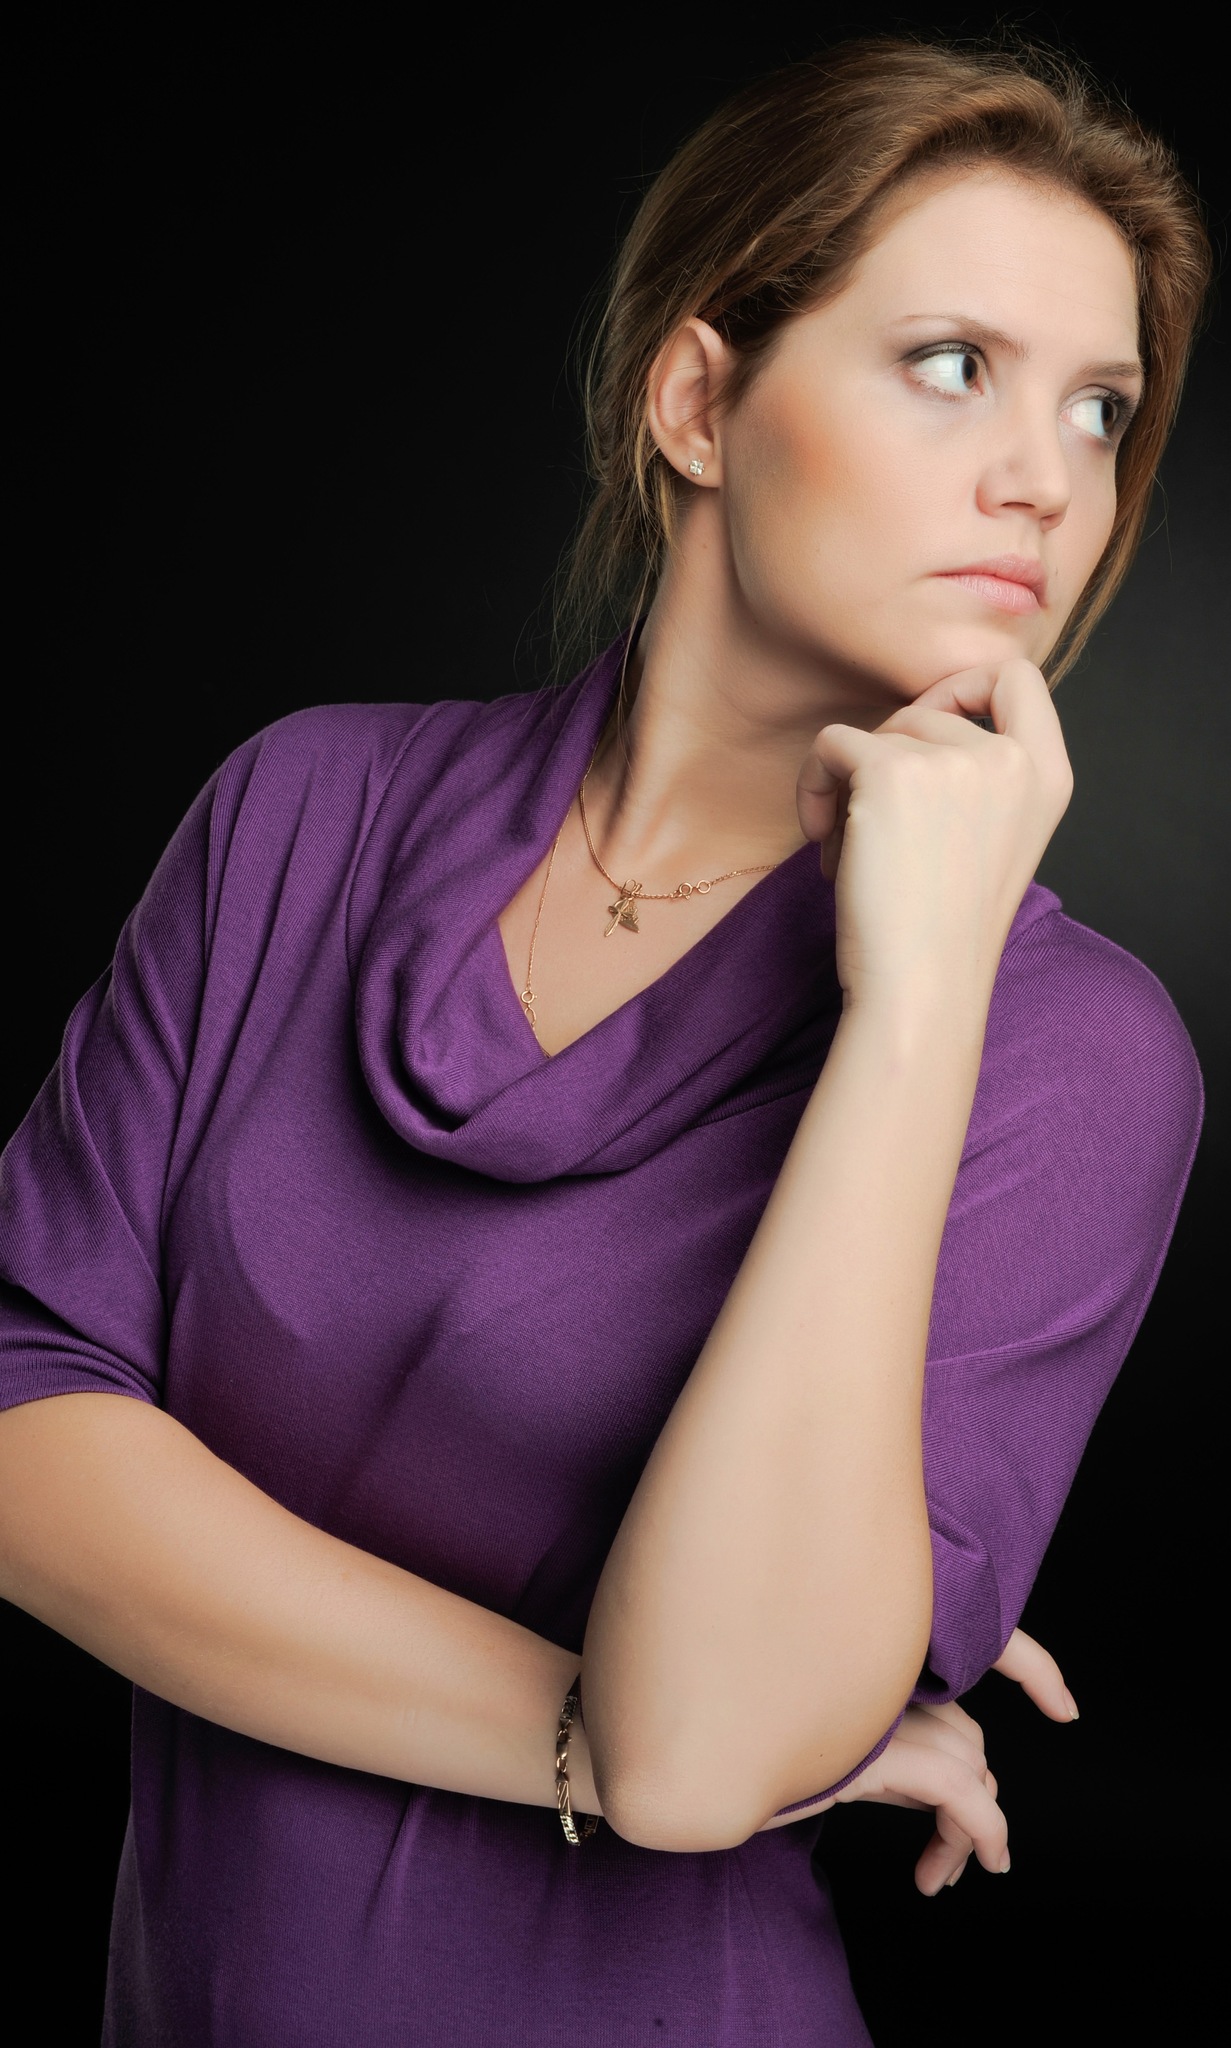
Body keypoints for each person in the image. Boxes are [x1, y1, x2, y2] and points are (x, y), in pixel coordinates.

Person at [0, 35, 1211, 2048]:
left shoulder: (1071, 1054)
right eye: (951, 366)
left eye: (1103, 407)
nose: (1049, 479)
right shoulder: (303, 812)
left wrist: (912, 1006)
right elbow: (21, 1420)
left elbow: (704, 1747)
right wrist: (584, 1726)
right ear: (697, 401)